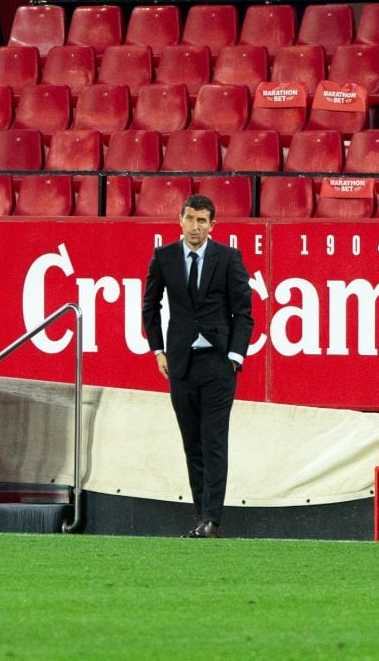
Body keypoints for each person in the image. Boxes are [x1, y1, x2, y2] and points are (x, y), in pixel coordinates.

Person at [142, 195, 254, 539]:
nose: (195, 227)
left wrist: (235, 357)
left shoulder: (228, 257)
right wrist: (158, 349)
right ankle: (201, 518)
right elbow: (151, 305)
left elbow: (244, 313)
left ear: (212, 225)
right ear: (180, 220)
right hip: (181, 364)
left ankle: (212, 520)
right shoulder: (164, 257)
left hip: (219, 365)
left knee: (214, 441)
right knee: (192, 443)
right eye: (190, 219)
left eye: (202, 221)